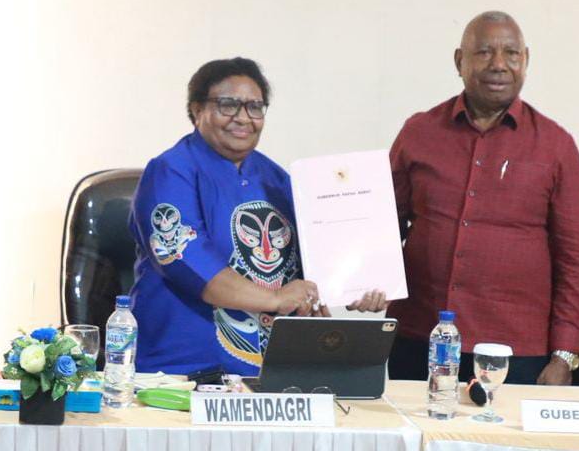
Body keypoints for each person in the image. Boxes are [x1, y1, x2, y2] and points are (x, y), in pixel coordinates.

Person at [129, 58, 386, 376]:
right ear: (196, 110)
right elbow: (186, 260)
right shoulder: (171, 171)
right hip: (183, 368)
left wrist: (354, 286)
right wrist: (275, 298)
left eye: (255, 107)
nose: (243, 118)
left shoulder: (276, 179)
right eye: (228, 105)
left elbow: (315, 259)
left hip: (273, 368)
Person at [387, 12, 579, 386]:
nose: (499, 64)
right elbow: (383, 226)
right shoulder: (419, 133)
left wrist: (564, 354)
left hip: (516, 350)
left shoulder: (555, 146)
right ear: (459, 61)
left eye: (511, 53)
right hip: (421, 339)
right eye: (484, 52)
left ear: (526, 60)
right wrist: (354, 280)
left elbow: (576, 259)